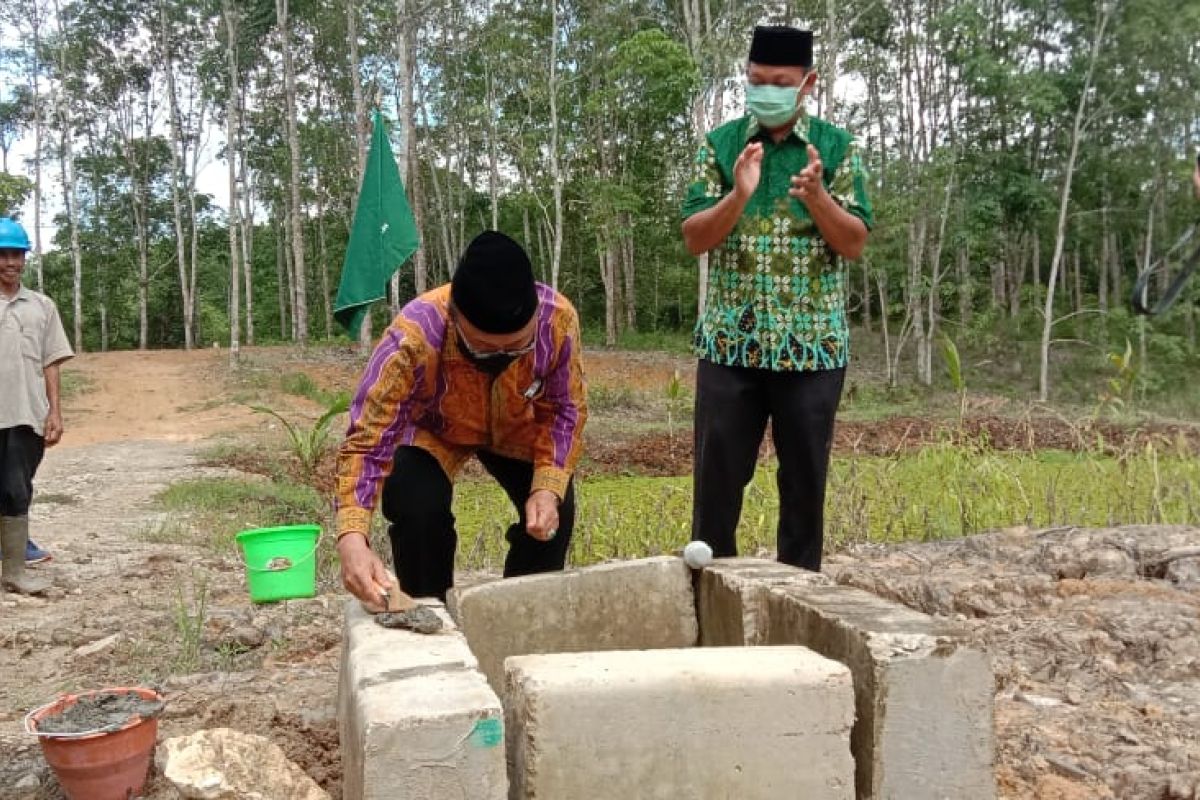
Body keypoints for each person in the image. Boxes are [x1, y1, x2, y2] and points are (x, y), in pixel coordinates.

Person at [680, 26, 873, 572]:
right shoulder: (720, 145)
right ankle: (709, 599)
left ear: (807, 83)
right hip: (729, 345)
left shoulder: (836, 147)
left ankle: (800, 601)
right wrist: (738, 195)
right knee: (715, 488)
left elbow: (854, 242)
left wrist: (818, 199)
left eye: (781, 82)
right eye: (757, 80)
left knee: (804, 486)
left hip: (812, 348)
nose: (767, 91)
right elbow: (695, 236)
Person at [334, 230, 587, 605]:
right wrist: (352, 538)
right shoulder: (413, 335)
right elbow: (367, 439)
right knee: (416, 507)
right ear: (454, 319)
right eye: (484, 349)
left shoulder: (558, 321)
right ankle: (429, 612)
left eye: (517, 347)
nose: (501, 356)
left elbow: (565, 409)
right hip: (434, 428)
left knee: (555, 513)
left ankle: (521, 613)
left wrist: (547, 488)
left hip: (518, 425)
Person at [0, 217, 72, 595]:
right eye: (3, 255)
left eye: (17, 255)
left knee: (16, 489)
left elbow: (51, 361)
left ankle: (13, 570)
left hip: (26, 414)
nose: (11, 263)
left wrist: (54, 411)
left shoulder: (42, 306)